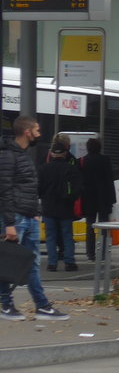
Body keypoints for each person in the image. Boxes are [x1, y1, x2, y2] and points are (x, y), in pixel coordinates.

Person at [0, 116, 68, 321]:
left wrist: (35, 211)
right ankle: (6, 304)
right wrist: (9, 223)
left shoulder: (22, 155)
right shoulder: (9, 156)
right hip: (16, 218)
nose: (40, 134)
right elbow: (4, 191)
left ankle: (41, 305)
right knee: (8, 263)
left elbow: (27, 186)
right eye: (37, 130)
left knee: (32, 263)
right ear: (27, 132)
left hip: (28, 216)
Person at [38, 133, 81, 272]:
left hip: (48, 207)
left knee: (50, 236)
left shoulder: (44, 168)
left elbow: (38, 188)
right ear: (64, 153)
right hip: (65, 207)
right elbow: (77, 188)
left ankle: (52, 263)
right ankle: (69, 262)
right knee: (67, 235)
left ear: (51, 153)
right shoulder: (71, 168)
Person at [79, 137, 118, 262]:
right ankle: (104, 252)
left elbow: (81, 181)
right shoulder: (105, 160)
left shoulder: (83, 161)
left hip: (88, 198)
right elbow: (109, 180)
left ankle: (90, 253)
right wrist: (112, 199)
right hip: (103, 197)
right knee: (104, 226)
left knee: (90, 225)